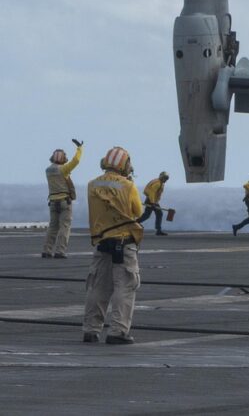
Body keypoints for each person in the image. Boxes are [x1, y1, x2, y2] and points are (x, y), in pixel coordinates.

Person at [82, 146, 143, 345]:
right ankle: (118, 331)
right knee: (124, 287)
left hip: (101, 243)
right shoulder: (127, 186)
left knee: (98, 287)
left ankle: (91, 330)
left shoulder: (92, 184)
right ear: (124, 164)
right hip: (123, 244)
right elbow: (137, 212)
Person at [43, 139, 83, 259]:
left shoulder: (48, 170)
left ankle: (47, 251)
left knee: (52, 227)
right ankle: (60, 251)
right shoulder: (64, 169)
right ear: (63, 159)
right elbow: (76, 161)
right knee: (64, 227)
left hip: (53, 202)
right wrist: (79, 148)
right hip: (65, 202)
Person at [137, 171, 169, 236]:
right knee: (156, 214)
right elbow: (152, 193)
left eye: (166, 178)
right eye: (165, 178)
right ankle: (158, 230)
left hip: (153, 201)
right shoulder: (157, 183)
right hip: (151, 200)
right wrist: (153, 203)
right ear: (161, 177)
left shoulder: (159, 182)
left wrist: (154, 202)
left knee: (148, 215)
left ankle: (135, 223)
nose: (165, 180)